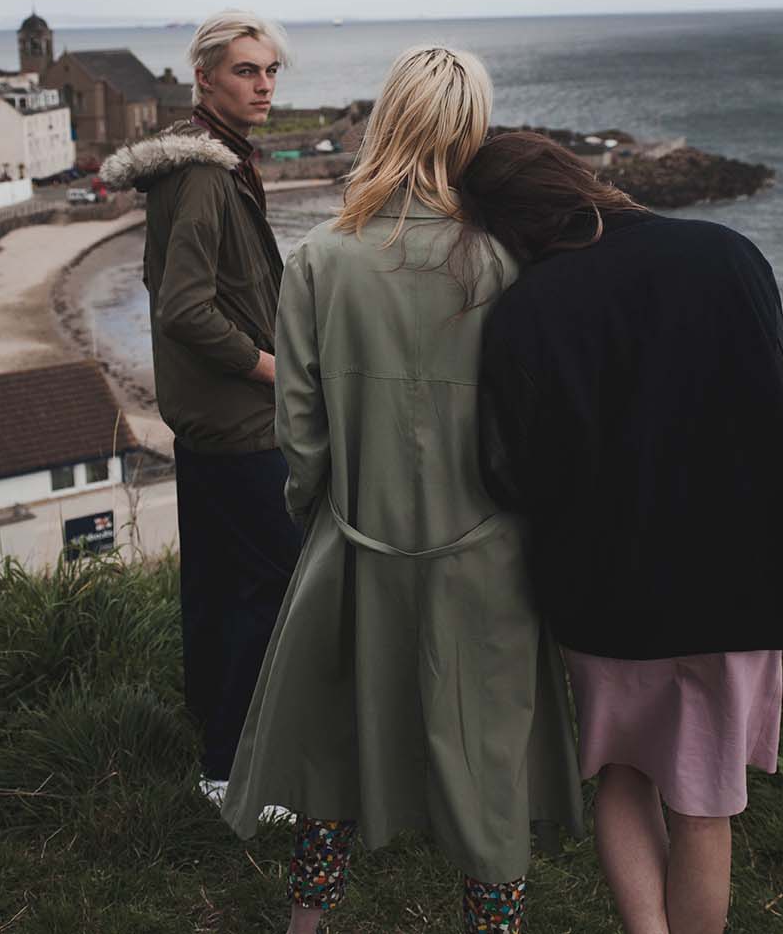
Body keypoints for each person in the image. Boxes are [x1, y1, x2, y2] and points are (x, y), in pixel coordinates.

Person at [222, 49, 583, 934]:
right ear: (470, 131)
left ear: (386, 120)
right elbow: (539, 426)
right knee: (487, 765)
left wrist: (319, 519)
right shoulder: (509, 260)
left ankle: (308, 923)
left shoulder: (321, 257)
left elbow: (299, 432)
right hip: (489, 557)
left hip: (352, 543)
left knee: (330, 748)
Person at [463, 130, 783, 934]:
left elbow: (509, 474)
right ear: (574, 179)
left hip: (607, 592)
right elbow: (782, 426)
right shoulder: (726, 254)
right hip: (742, 580)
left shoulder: (525, 311)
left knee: (623, 777)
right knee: (702, 806)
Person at [101, 11, 302, 805]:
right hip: (241, 424)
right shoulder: (206, 177)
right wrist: (274, 371)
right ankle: (237, 765)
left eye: (271, 71)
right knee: (273, 585)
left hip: (212, 420)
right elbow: (185, 308)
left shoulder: (210, 169)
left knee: (222, 590)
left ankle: (217, 758)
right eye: (247, 70)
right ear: (204, 80)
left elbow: (176, 289)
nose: (263, 84)